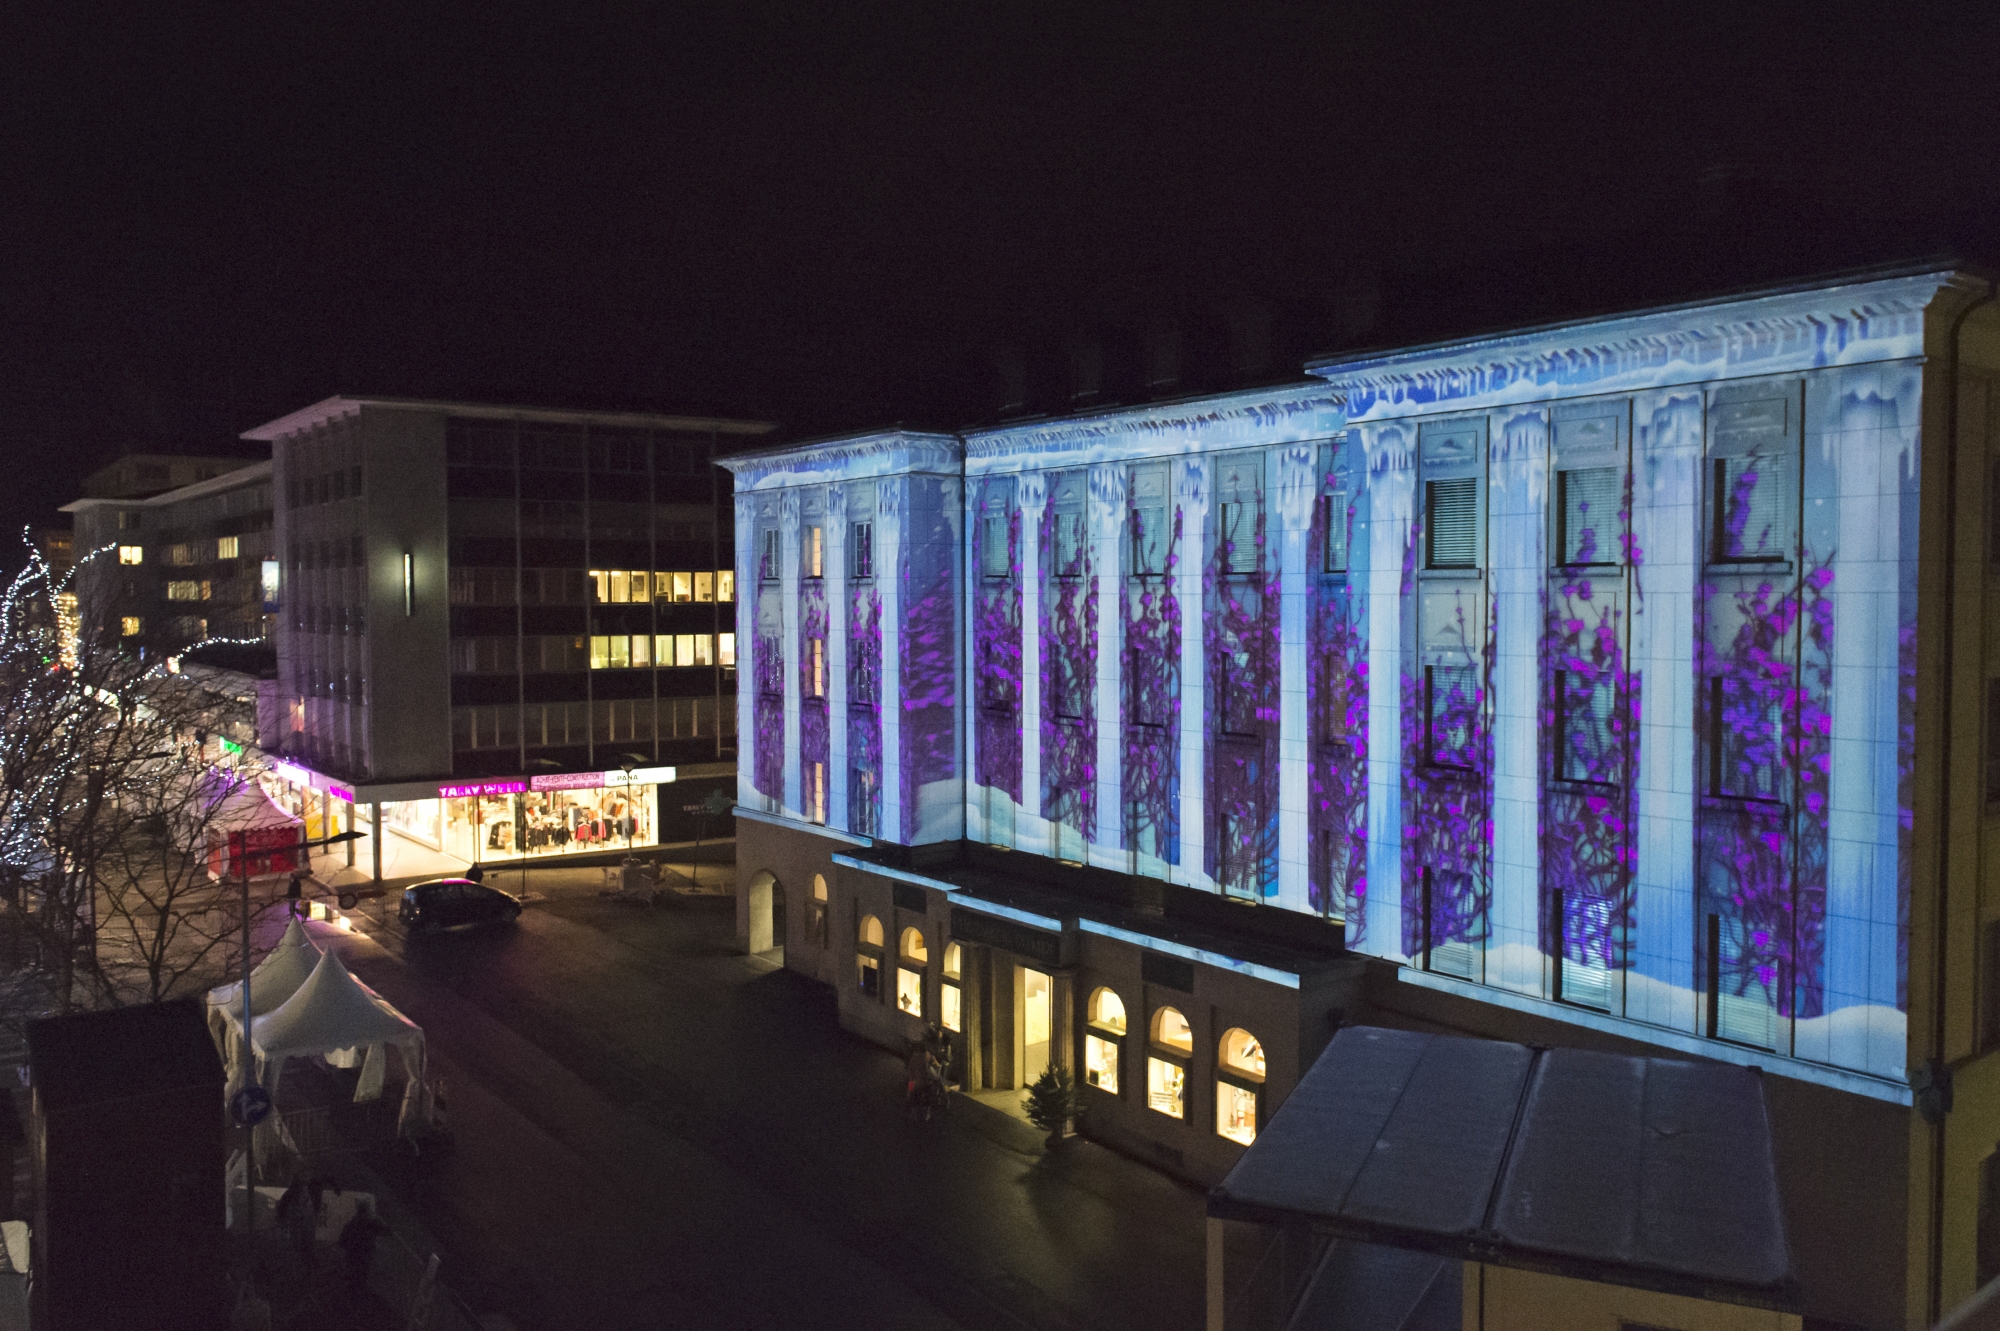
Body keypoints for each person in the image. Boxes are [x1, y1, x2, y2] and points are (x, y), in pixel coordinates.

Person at [337, 1199, 387, 1298]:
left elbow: (341, 1242)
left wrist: (350, 1247)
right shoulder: (372, 1225)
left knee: (353, 1281)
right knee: (361, 1280)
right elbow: (386, 1231)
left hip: (352, 1258)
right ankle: (357, 1299)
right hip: (364, 1259)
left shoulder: (350, 1225)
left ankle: (351, 1298)